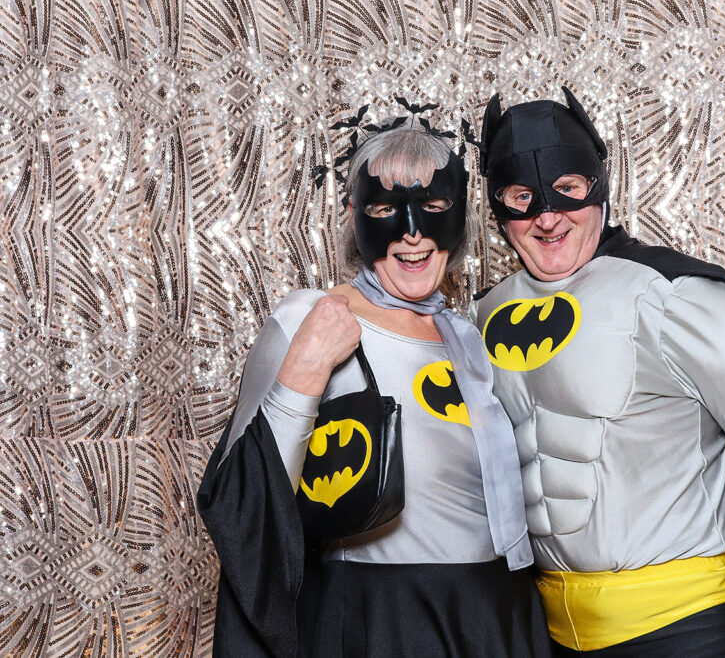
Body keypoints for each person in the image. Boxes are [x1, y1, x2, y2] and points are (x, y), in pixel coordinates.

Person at [470, 88, 725, 658]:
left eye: (568, 190)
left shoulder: (671, 296)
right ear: (497, 208)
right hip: (553, 634)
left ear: (599, 187)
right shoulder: (484, 316)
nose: (548, 216)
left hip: (688, 629)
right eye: (521, 196)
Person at [198, 119, 552, 657]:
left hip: (496, 613)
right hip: (380, 615)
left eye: (434, 209)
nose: (412, 234)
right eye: (386, 211)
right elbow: (242, 499)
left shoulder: (471, 336)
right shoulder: (313, 315)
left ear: (460, 218)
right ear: (354, 219)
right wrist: (306, 367)